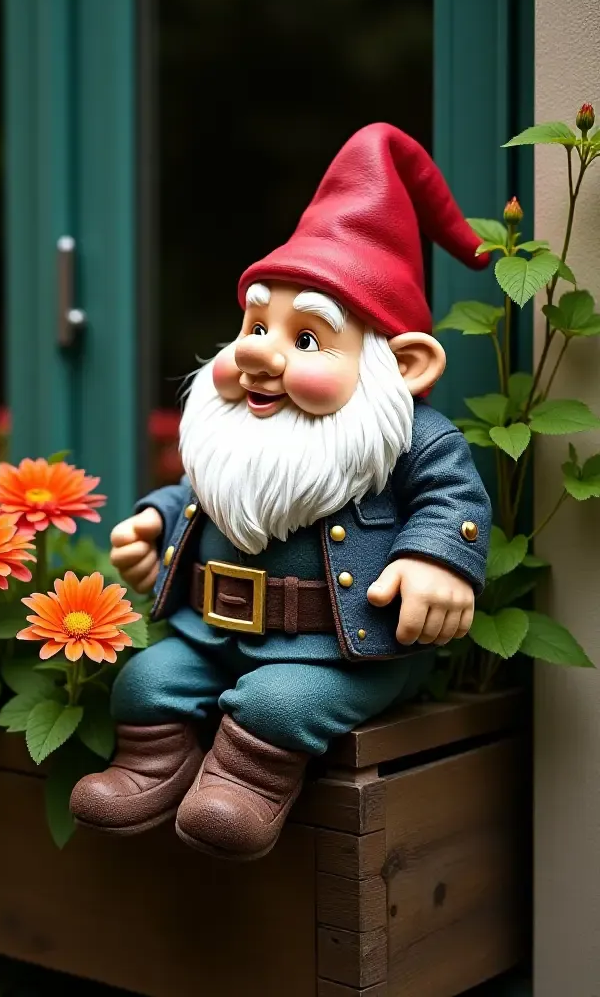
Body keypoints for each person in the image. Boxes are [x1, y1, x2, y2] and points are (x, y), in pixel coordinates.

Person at [70, 123, 492, 860]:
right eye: (255, 322)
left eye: (304, 339)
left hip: (337, 652)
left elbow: (452, 499)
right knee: (146, 679)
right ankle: (149, 768)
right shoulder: (242, 432)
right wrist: (153, 523)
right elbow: (202, 492)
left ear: (409, 364)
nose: (255, 352)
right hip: (214, 634)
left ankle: (246, 786)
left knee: (278, 703)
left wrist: (438, 560)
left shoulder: (407, 436)